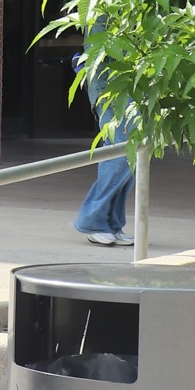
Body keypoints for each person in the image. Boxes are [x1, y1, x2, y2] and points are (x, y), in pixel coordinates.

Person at [72, 52, 134, 248]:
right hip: (110, 88)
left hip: (130, 87)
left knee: (132, 156)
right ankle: (93, 221)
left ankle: (112, 224)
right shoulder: (101, 19)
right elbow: (98, 44)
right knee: (121, 152)